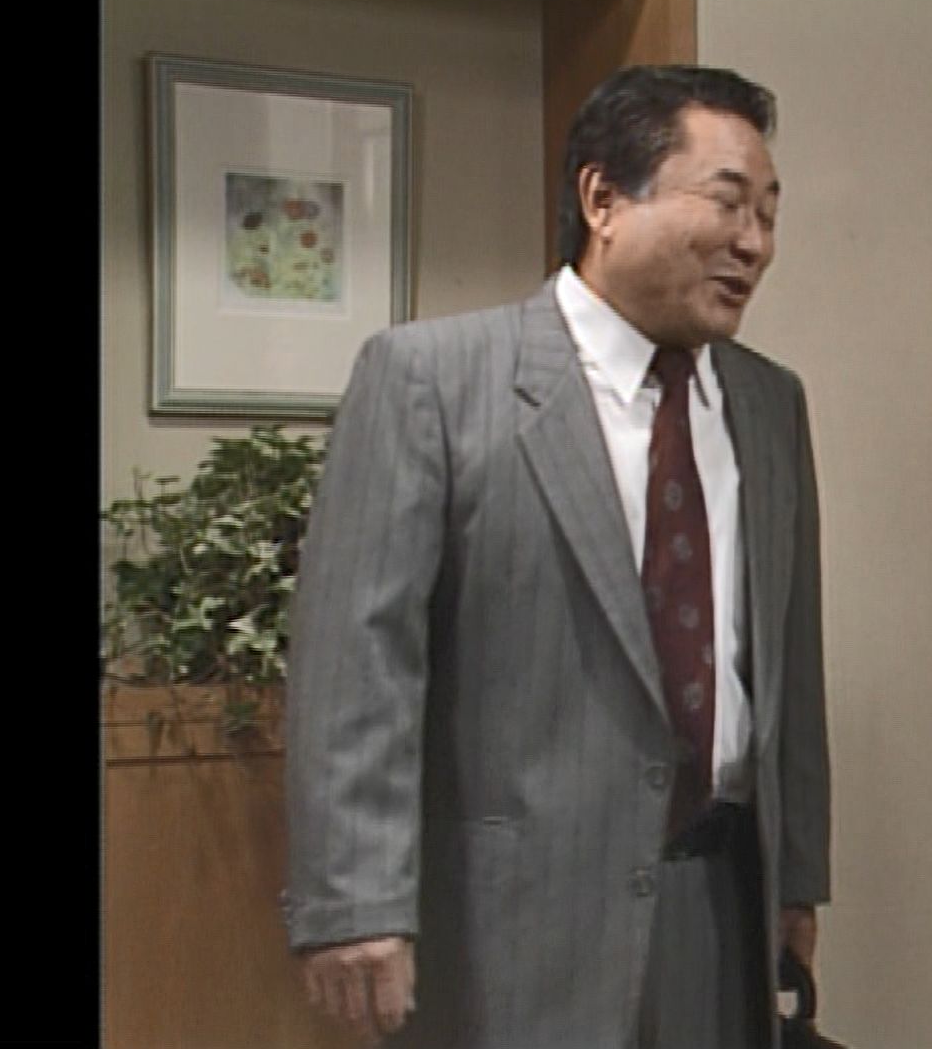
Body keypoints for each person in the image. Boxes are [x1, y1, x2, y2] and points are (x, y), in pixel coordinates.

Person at [282, 64, 832, 1049]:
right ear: (603, 199)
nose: (754, 242)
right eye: (727, 203)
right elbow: (356, 664)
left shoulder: (767, 402)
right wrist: (353, 902)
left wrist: (795, 881)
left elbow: (792, 659)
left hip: (720, 907)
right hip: (509, 924)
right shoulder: (434, 381)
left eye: (769, 214)